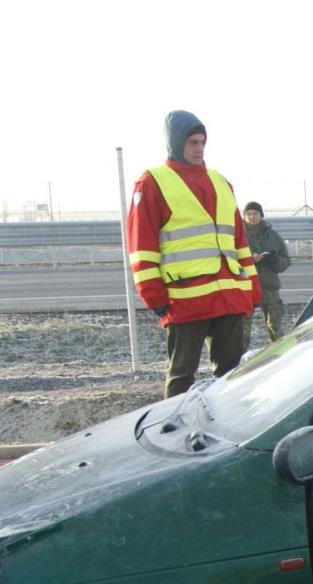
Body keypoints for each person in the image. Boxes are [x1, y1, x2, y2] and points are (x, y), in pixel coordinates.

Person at [126, 110, 259, 398]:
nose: (199, 149)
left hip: (229, 298)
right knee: (181, 378)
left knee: (232, 379)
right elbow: (141, 245)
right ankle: (170, 436)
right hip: (186, 300)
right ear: (175, 143)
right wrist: (154, 296)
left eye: (202, 143)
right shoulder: (152, 183)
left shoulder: (221, 182)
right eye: (192, 143)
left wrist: (252, 287)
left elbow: (238, 241)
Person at [243, 202, 290, 344]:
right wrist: (249, 260)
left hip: (269, 286)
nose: (252, 217)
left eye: (255, 213)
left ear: (261, 215)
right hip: (246, 287)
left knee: (275, 327)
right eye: (249, 214)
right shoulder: (238, 236)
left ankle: (280, 357)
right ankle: (236, 361)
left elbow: (285, 262)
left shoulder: (273, 236)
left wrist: (273, 260)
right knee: (242, 330)